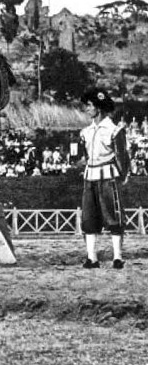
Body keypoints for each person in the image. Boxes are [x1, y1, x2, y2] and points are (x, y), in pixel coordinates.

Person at [79, 88, 130, 269]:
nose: (87, 109)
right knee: (89, 217)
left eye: (90, 105)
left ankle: (117, 257)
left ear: (98, 108)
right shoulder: (85, 132)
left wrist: (122, 176)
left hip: (108, 177)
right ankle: (92, 258)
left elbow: (122, 156)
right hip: (90, 176)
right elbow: (85, 155)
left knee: (113, 215)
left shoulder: (114, 130)